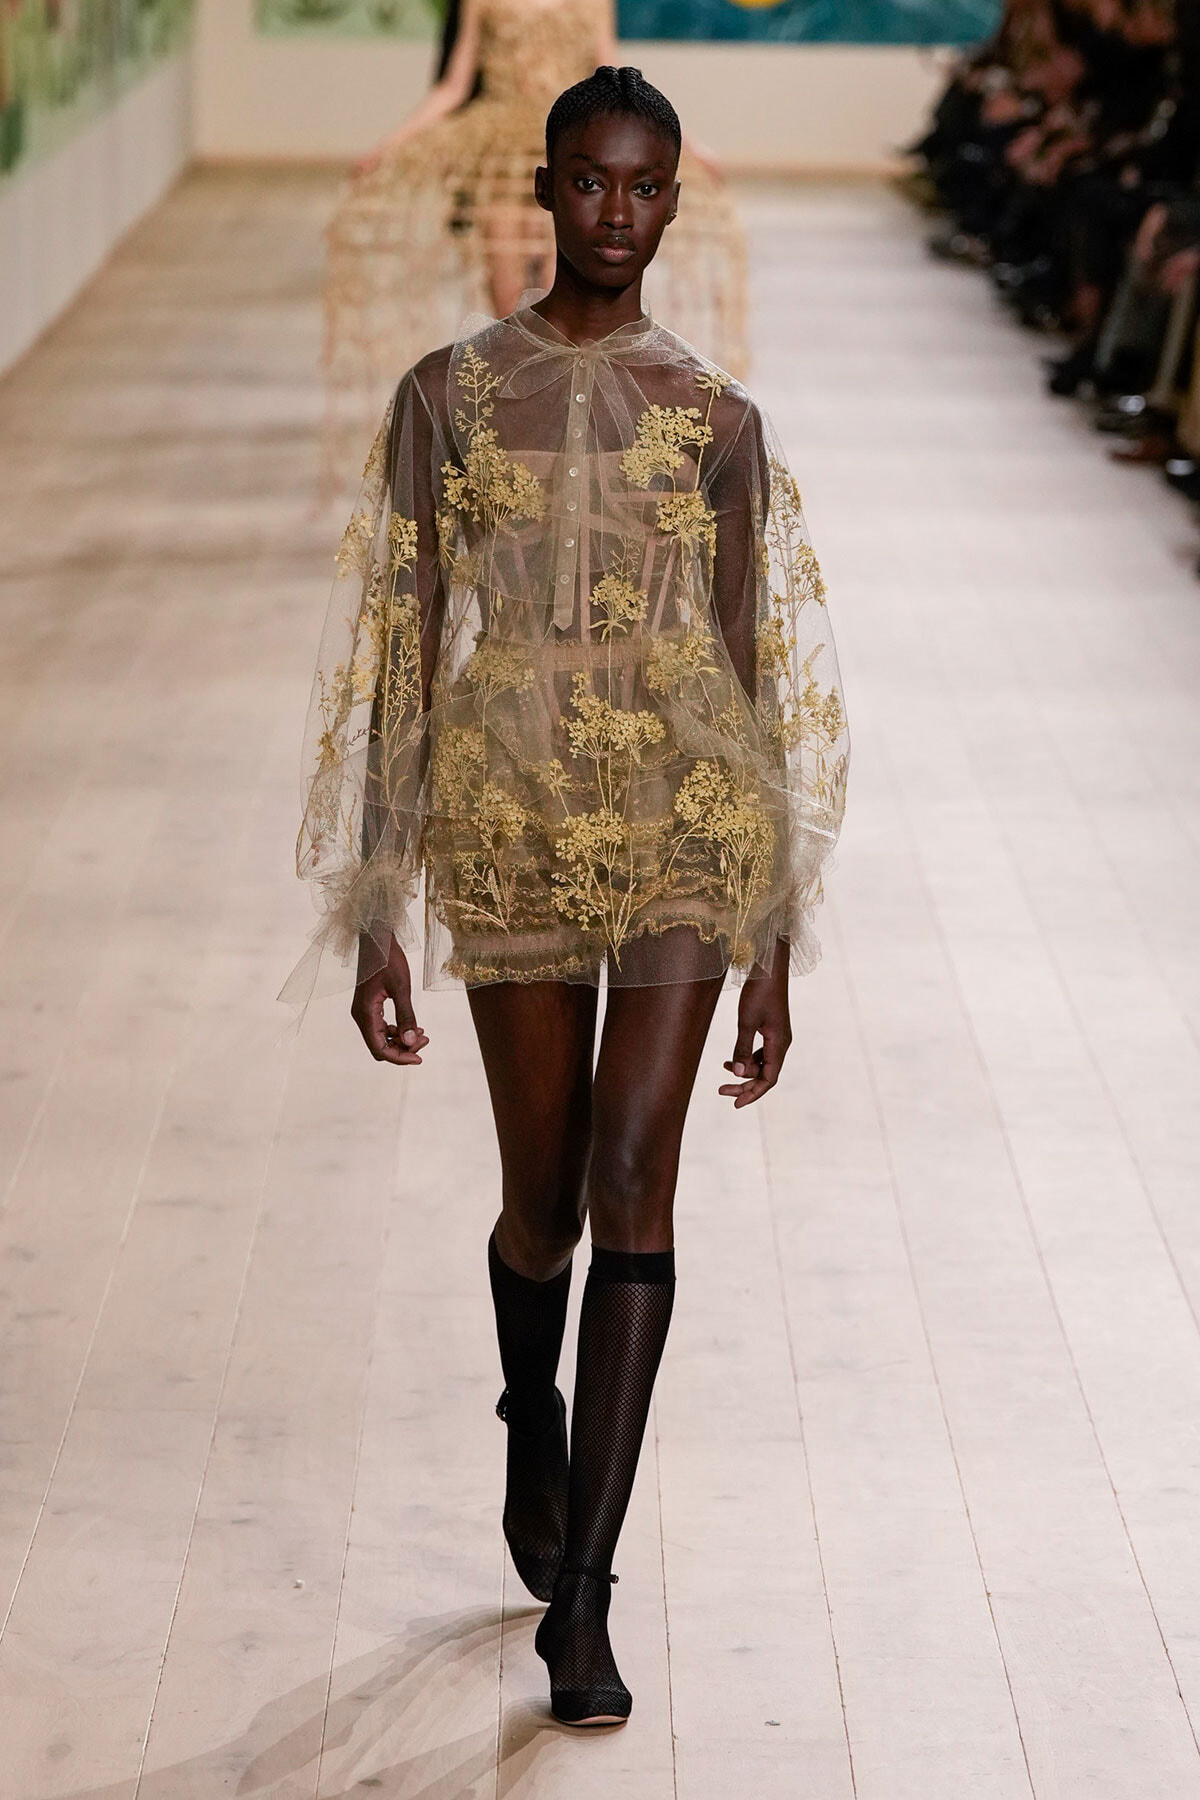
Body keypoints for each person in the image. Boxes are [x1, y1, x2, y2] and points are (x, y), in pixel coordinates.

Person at [292, 66, 847, 1727]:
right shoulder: (447, 396)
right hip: (510, 810)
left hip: (681, 814)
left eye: (645, 186)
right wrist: (377, 893)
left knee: (631, 1179)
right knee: (541, 1201)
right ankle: (529, 1413)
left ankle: (585, 1600)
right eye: (590, 184)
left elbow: (757, 685)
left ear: (675, 202)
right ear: (545, 191)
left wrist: (772, 933)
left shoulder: (721, 419)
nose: (617, 212)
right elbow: (400, 653)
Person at [322, 0, 746, 485]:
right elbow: (455, 85)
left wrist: (687, 143)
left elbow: (620, 87)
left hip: (578, 156)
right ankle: (509, 455)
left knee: (568, 314)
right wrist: (389, 147)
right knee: (513, 316)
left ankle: (567, 447)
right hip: (500, 158)